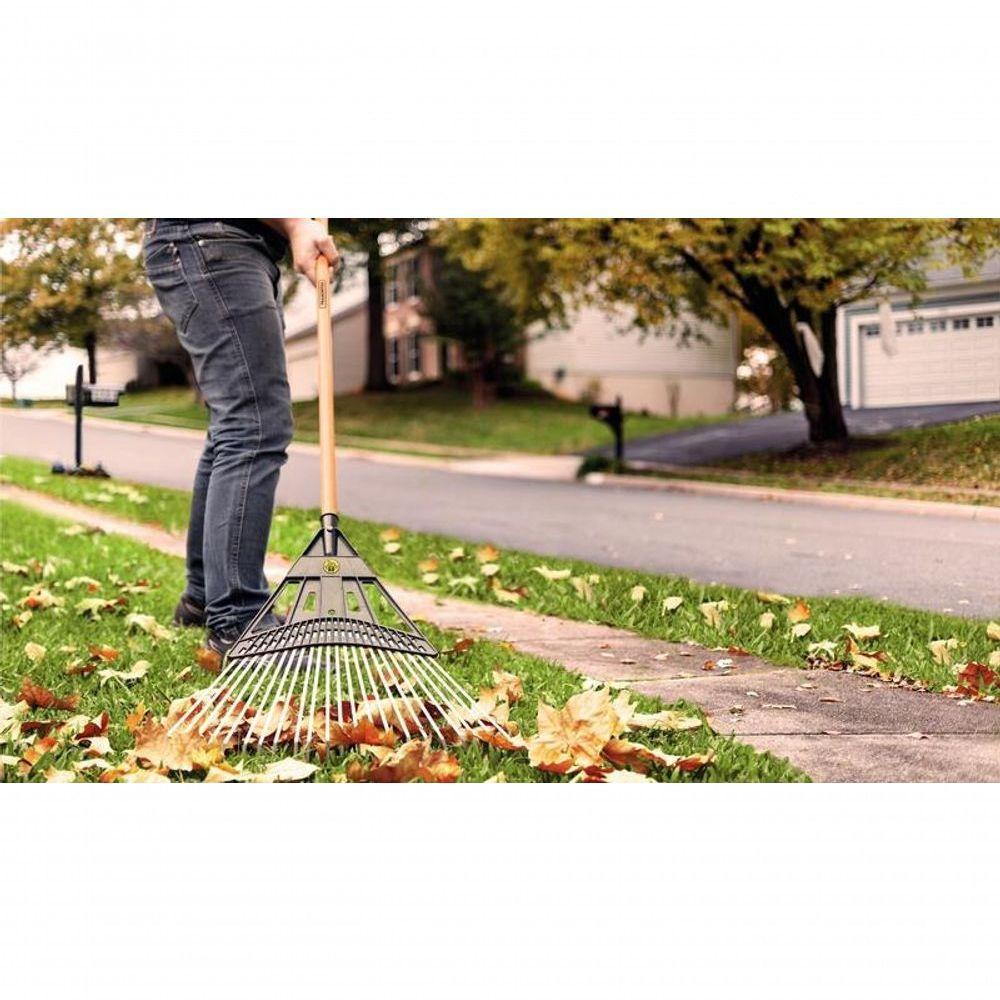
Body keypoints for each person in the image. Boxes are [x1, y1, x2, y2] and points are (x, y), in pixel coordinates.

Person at [143, 219, 339, 654]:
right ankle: (238, 618)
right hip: (212, 237)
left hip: (229, 243)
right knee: (253, 421)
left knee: (234, 423)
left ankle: (204, 597)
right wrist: (294, 223)